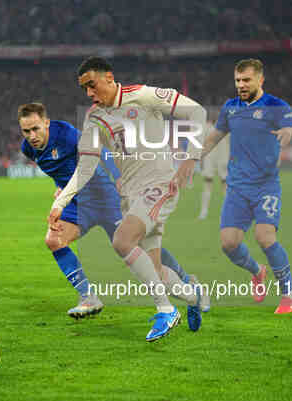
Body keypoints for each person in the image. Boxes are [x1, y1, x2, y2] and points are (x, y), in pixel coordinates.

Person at [49, 57, 207, 341]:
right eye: (84, 88)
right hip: (132, 196)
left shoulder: (144, 96)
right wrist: (60, 203)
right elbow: (85, 167)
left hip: (160, 184)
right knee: (156, 270)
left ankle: (166, 311)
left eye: (92, 85)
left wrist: (191, 157)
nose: (89, 93)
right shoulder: (94, 119)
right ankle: (193, 295)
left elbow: (197, 112)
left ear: (109, 77)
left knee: (122, 240)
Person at [18, 102, 202, 322]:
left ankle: (186, 281)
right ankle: (88, 297)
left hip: (105, 198)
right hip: (77, 204)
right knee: (54, 240)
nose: (31, 135)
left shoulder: (66, 134)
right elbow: (62, 169)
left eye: (36, 128)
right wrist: (61, 188)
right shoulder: (28, 149)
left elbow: (101, 151)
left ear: (46, 123)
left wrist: (118, 176)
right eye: (26, 131)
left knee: (141, 246)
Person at [201, 58, 292, 314]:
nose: (241, 84)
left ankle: (288, 294)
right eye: (238, 80)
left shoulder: (275, 106)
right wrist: (192, 158)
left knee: (264, 237)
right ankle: (256, 271)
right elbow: (214, 137)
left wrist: (291, 132)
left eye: (246, 80)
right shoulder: (230, 108)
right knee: (228, 244)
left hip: (265, 186)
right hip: (237, 187)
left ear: (260, 80)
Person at [198, 114, 230, 220]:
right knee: (224, 186)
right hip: (220, 159)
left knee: (209, 184)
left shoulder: (208, 128)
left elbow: (203, 143)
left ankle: (204, 211)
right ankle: (224, 213)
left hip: (214, 159)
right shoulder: (227, 128)